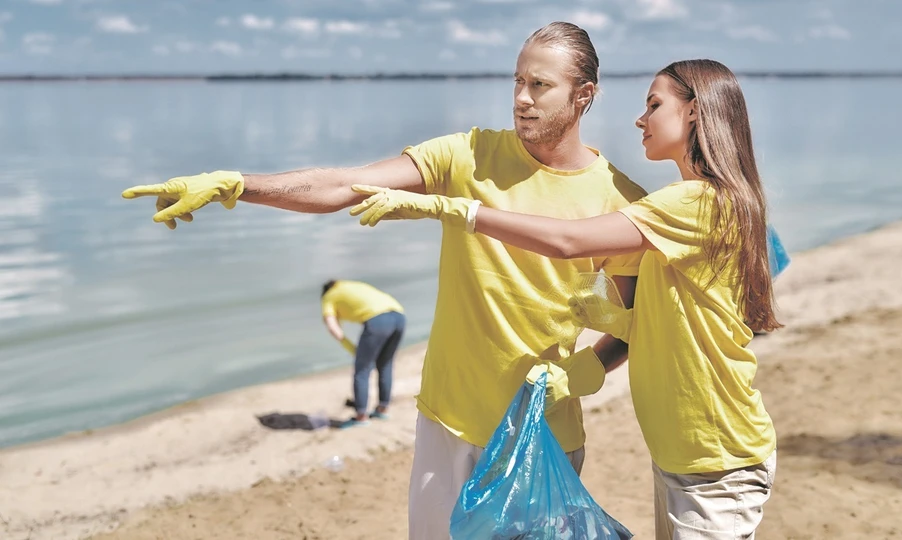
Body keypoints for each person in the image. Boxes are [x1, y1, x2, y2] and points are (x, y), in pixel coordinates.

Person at [121, 22, 646, 538]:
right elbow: (342, 186)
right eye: (516, 81)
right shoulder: (469, 154)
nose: (521, 99)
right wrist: (236, 185)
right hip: (446, 419)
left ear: (584, 95)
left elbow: (626, 327)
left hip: (541, 435)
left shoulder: (619, 201)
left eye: (539, 85)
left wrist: (583, 372)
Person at [351, 59, 780, 539]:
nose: (640, 119)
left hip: (717, 459)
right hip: (687, 454)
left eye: (654, 105)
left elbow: (568, 242)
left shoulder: (697, 202)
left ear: (696, 113)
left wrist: (456, 208)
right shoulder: (703, 203)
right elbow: (663, 319)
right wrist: (588, 360)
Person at [320, 279, 405, 426]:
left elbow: (333, 328)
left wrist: (353, 349)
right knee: (385, 364)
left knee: (362, 370)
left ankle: (361, 417)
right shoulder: (351, 285)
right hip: (399, 316)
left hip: (378, 320)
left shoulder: (329, 297)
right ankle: (382, 409)